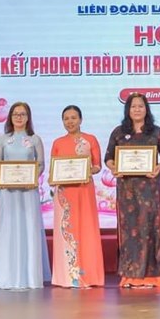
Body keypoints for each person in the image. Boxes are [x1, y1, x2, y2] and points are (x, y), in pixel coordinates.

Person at [105, 93, 160, 289]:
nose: (137, 109)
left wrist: (158, 168)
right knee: (129, 231)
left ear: (146, 109)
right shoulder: (118, 132)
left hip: (150, 190)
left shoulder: (156, 132)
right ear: (128, 110)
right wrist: (114, 168)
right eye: (133, 106)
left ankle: (152, 277)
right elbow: (108, 157)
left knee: (149, 229)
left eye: (140, 106)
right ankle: (129, 276)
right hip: (126, 190)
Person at [0, 101, 51, 290]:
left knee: (28, 228)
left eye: (23, 114)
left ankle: (30, 277)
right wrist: (4, 177)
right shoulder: (3, 140)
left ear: (28, 117)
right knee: (9, 229)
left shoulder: (35, 139)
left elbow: (40, 164)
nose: (19, 117)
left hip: (28, 192)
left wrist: (31, 177)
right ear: (10, 117)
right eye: (15, 114)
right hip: (8, 193)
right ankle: (7, 277)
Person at [50, 105, 105, 289]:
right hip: (64, 194)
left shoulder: (90, 140)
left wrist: (87, 170)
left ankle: (89, 276)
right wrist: (52, 178)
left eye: (74, 118)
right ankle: (66, 277)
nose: (70, 121)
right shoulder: (58, 142)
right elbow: (53, 169)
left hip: (84, 190)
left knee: (86, 229)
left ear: (81, 119)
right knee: (67, 231)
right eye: (66, 118)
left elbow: (97, 166)